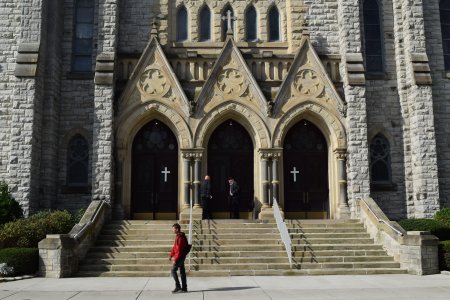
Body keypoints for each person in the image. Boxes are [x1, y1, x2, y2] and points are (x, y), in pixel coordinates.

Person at [169, 223, 188, 293]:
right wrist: (171, 255)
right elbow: (175, 247)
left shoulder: (180, 237)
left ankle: (178, 287)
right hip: (181, 256)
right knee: (182, 272)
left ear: (177, 229)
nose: (172, 230)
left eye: (173, 229)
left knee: (173, 271)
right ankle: (184, 288)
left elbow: (179, 250)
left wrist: (175, 259)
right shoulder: (178, 236)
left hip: (180, 257)